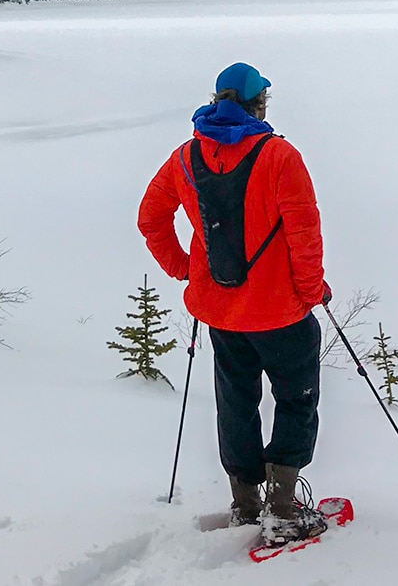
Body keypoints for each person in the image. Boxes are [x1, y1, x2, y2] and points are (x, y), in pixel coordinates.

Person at [137, 61, 332, 546]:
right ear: (258, 103)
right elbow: (304, 234)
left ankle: (246, 505)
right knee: (296, 398)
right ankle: (283, 509)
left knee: (235, 402)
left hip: (221, 311)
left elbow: (150, 218)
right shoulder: (279, 156)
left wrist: (186, 267)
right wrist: (312, 291)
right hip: (281, 312)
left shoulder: (186, 157)